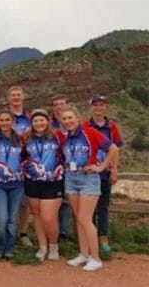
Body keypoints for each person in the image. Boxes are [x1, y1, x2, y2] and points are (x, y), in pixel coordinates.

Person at [61, 104, 119, 272]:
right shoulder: (66, 137)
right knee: (79, 218)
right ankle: (83, 254)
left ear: (78, 118)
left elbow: (113, 149)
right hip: (71, 177)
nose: (67, 121)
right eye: (64, 119)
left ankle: (96, 258)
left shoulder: (90, 133)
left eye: (70, 117)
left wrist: (102, 168)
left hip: (88, 178)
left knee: (86, 219)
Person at [22, 109, 65, 261]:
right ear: (31, 124)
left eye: (42, 120)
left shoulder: (57, 136)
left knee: (49, 217)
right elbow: (21, 156)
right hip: (32, 181)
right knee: (37, 214)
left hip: (53, 181)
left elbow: (67, 152)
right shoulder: (26, 138)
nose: (39, 123)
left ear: (48, 122)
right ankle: (42, 246)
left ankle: (53, 245)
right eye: (35, 121)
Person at [0, 86, 34, 247]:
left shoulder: (30, 117)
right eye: (13, 95)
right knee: (5, 212)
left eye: (19, 95)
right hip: (4, 173)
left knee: (24, 204)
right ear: (8, 98)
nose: (16, 98)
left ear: (23, 97)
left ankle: (23, 234)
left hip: (24, 168)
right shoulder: (1, 120)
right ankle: (2, 239)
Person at [83, 94, 123, 252]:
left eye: (101, 105)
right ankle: (88, 236)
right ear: (91, 107)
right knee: (89, 209)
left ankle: (103, 237)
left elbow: (116, 150)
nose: (99, 108)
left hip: (105, 173)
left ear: (105, 107)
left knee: (103, 207)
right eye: (96, 105)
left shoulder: (111, 127)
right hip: (90, 173)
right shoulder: (85, 126)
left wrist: (115, 169)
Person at [0, 110, 25, 259]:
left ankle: (10, 247)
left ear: (12, 122)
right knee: (1, 218)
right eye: (1, 120)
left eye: (7, 120)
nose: (4, 123)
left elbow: (25, 156)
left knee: (12, 218)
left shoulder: (20, 139)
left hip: (16, 184)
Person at [50, 94, 72, 242]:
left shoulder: (73, 123)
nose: (59, 107)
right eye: (56, 104)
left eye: (62, 104)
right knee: (53, 200)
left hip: (70, 169)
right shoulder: (48, 124)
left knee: (66, 201)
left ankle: (63, 233)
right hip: (52, 169)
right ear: (53, 107)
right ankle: (53, 232)